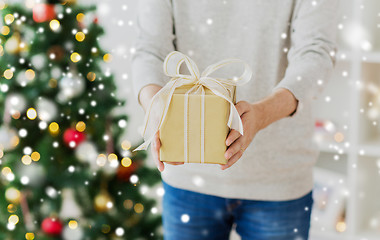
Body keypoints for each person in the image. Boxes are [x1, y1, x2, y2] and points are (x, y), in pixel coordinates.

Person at [132, 0, 339, 239]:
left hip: (278, 180)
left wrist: (262, 113)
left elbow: (316, 54)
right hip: (188, 178)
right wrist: (155, 106)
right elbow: (150, 49)